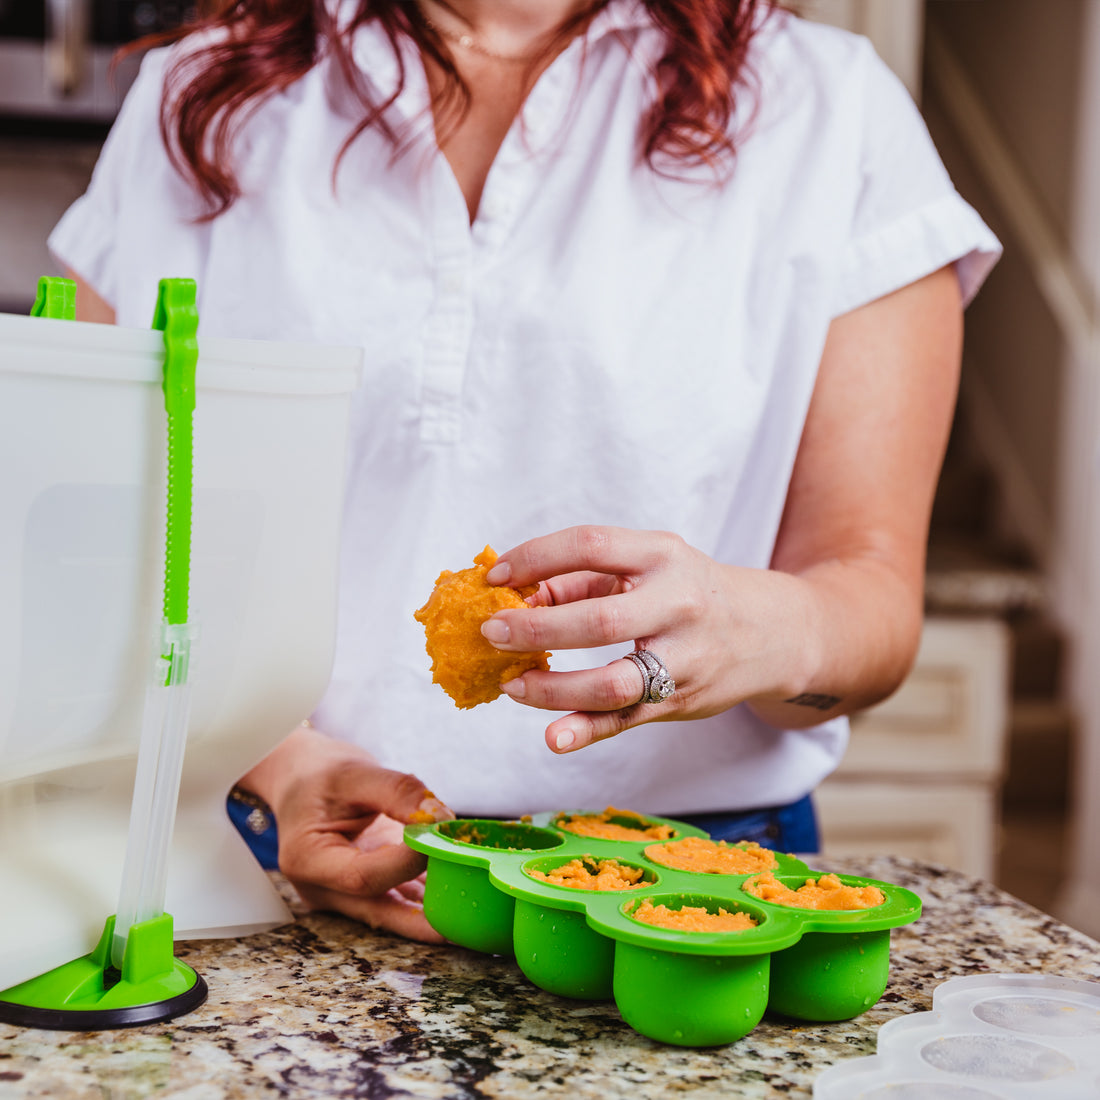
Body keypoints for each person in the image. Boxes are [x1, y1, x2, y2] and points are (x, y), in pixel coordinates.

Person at [51, 0, 1000, 943]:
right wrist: (279, 761)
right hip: (263, 859)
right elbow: (101, 546)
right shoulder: (199, 96)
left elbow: (871, 592)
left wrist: (759, 626)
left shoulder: (832, 109)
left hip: (683, 896)